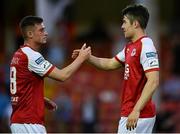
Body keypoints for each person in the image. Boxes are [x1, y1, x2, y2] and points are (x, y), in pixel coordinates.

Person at [72, 4, 159, 133]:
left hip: (137, 114)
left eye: (124, 22)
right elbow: (110, 63)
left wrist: (136, 110)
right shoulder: (130, 47)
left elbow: (153, 81)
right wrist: (88, 57)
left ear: (135, 24)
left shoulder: (146, 46)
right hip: (133, 112)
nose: (122, 26)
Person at [9, 16, 91, 133]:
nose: (46, 33)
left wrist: (38, 98)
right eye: (41, 30)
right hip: (29, 123)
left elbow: (19, 87)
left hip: (20, 121)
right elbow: (63, 76)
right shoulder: (31, 55)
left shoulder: (18, 54)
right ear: (30, 34)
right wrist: (81, 58)